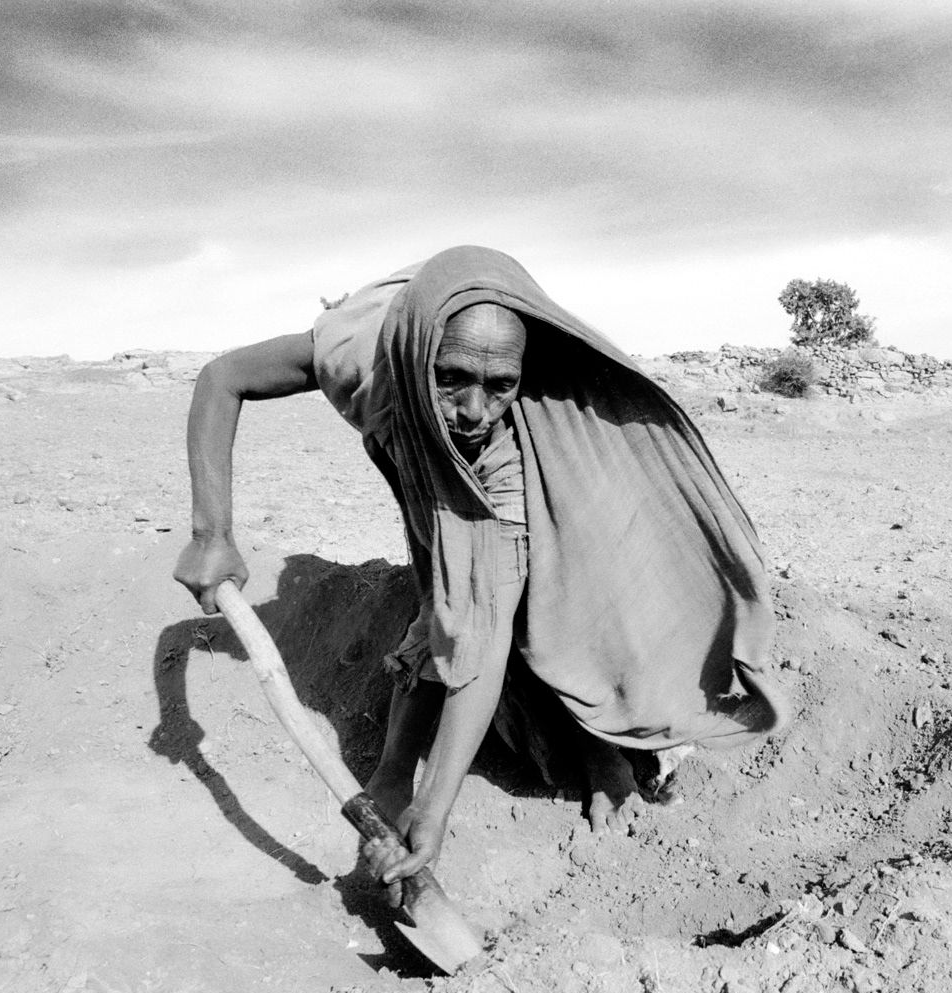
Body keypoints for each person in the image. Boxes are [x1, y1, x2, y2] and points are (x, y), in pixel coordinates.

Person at [174, 245, 786, 902]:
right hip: (399, 395)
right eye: (452, 377)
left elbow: (479, 631)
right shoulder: (359, 355)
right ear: (418, 358)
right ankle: (390, 769)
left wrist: (432, 812)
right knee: (440, 566)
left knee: (526, 587)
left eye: (499, 385)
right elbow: (223, 378)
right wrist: (213, 532)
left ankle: (590, 742)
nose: (472, 411)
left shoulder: (505, 447)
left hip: (479, 468)